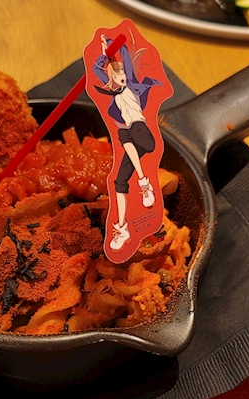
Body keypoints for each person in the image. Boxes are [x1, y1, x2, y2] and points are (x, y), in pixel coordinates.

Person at [92, 35, 164, 251]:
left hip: (143, 134)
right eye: (116, 74)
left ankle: (143, 182)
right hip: (132, 141)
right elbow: (96, 70)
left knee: (124, 133)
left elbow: (124, 54)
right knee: (120, 181)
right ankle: (122, 228)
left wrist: (111, 43)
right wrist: (103, 54)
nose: (121, 76)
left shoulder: (132, 86)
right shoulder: (113, 97)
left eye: (122, 72)